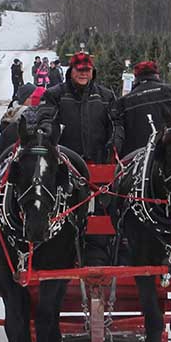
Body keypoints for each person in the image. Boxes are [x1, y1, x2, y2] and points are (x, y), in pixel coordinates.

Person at [37, 51, 116, 267]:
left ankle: (98, 258)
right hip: (65, 166)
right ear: (71, 71)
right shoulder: (55, 95)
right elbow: (45, 117)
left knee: (100, 214)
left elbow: (116, 123)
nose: (83, 74)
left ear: (92, 72)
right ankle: (62, 255)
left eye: (87, 70)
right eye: (79, 70)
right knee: (64, 212)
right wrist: (48, 134)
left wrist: (114, 142)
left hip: (99, 166)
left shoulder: (105, 96)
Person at [110, 60, 171, 157]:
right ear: (156, 75)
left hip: (136, 160)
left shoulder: (123, 102)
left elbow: (117, 135)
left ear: (136, 77)